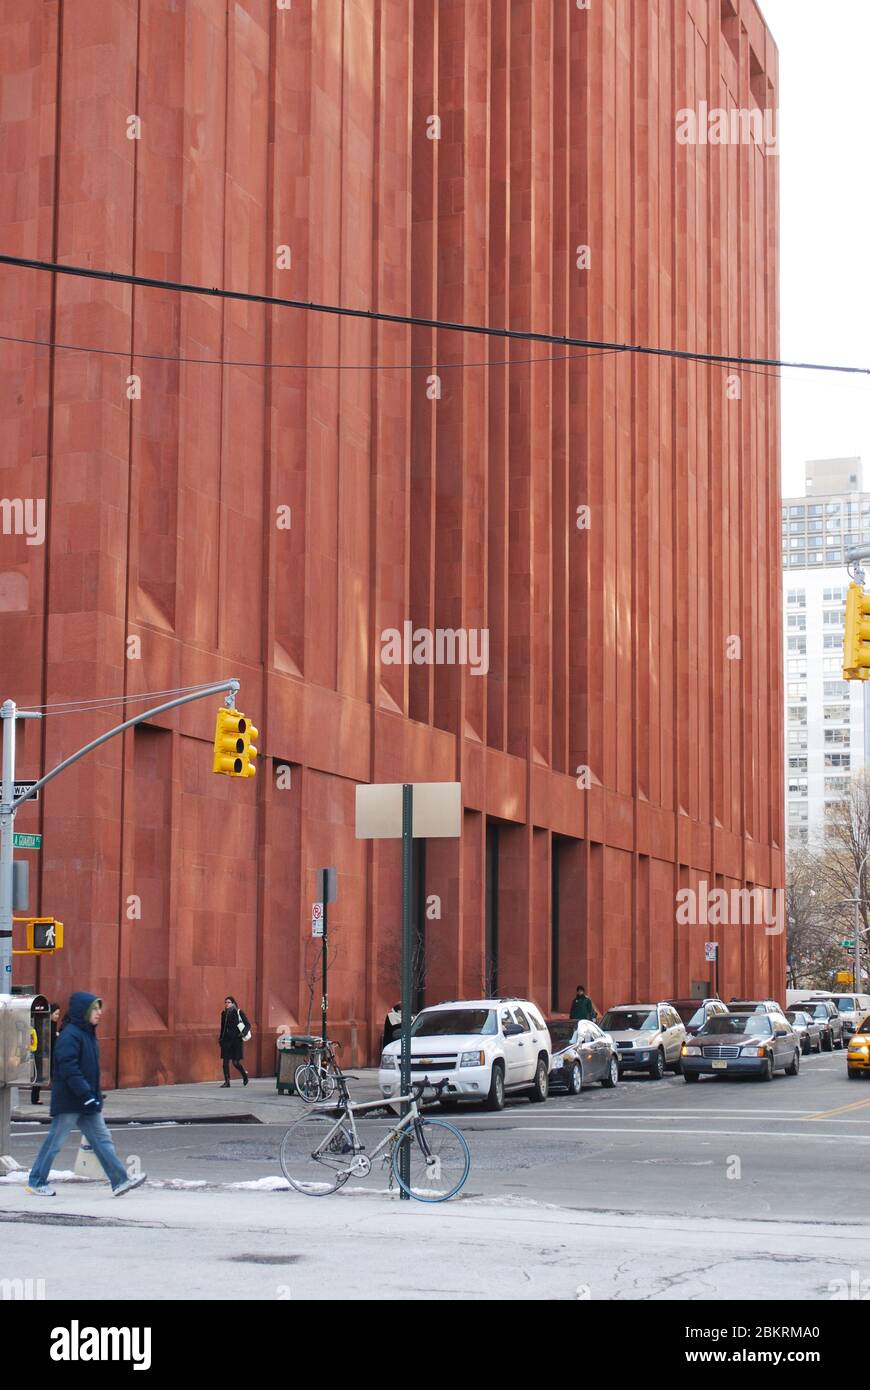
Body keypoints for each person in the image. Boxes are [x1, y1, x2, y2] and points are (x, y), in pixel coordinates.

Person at [26, 992, 147, 1198]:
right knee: (54, 1143)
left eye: (99, 1008)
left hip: (85, 1100)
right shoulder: (70, 1035)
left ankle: (120, 1181)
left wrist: (94, 1096)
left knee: (102, 1140)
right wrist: (86, 1094)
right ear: (83, 1011)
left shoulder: (87, 1034)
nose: (100, 1013)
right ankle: (36, 1181)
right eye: (95, 1009)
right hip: (69, 1101)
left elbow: (90, 1070)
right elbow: (69, 1068)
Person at [30, 1001, 61, 1106]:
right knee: (41, 1075)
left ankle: (36, 1098)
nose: (57, 1016)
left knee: (48, 1075)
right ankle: (35, 1098)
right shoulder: (46, 1023)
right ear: (50, 1013)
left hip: (50, 1054)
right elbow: (48, 1038)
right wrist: (56, 1036)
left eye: (58, 1014)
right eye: (56, 1014)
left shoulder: (52, 1024)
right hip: (43, 1053)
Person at [218, 996, 251, 1086]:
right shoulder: (224, 1013)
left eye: (228, 1002)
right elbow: (222, 1028)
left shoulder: (238, 1012)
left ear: (233, 1003)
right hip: (226, 1041)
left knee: (235, 1063)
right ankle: (227, 1081)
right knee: (225, 1062)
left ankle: (244, 1075)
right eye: (225, 1002)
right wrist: (220, 1038)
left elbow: (248, 1025)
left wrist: (243, 1033)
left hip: (236, 1040)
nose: (226, 1004)